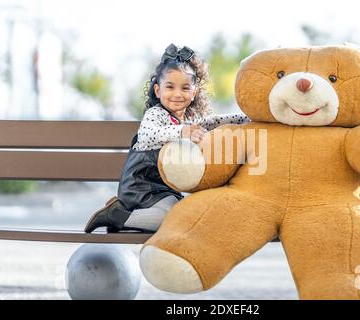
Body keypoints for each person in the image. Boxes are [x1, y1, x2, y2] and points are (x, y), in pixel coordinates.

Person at [84, 43, 250, 233]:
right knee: (174, 220)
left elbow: (212, 121)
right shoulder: (156, 114)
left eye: (185, 88)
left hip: (164, 189)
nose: (177, 94)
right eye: (170, 87)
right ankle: (118, 216)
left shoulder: (188, 119)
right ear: (158, 90)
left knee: (186, 215)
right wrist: (182, 132)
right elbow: (147, 135)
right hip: (140, 186)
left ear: (194, 92)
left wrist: (245, 118)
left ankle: (125, 217)